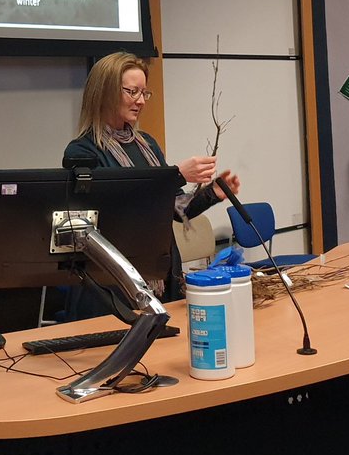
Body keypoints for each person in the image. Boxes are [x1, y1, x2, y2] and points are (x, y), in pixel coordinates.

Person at [61, 51, 241, 320]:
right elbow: (115, 212)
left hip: (162, 276)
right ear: (105, 92)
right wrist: (176, 175)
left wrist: (211, 194)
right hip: (112, 283)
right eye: (132, 92)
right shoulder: (82, 152)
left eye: (144, 93)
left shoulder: (146, 144)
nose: (141, 101)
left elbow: (174, 207)